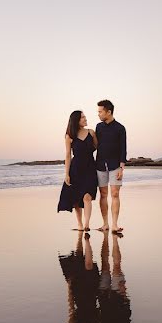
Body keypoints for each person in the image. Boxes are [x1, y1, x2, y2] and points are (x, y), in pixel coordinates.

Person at [57, 110, 98, 231]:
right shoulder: (70, 136)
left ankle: (86, 224)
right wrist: (66, 174)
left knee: (87, 196)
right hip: (76, 169)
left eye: (85, 116)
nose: (85, 119)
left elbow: (98, 148)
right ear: (76, 120)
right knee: (76, 198)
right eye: (83, 117)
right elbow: (68, 156)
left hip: (90, 168)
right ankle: (79, 224)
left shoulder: (91, 132)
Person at [95, 99, 126, 233]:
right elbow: (95, 145)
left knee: (115, 194)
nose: (99, 114)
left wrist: (121, 167)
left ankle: (114, 224)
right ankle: (105, 224)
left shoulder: (120, 128)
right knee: (103, 194)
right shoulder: (99, 127)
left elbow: (123, 148)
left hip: (115, 166)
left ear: (108, 112)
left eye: (100, 112)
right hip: (100, 164)